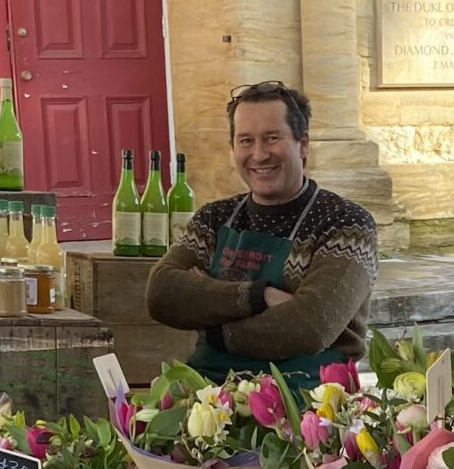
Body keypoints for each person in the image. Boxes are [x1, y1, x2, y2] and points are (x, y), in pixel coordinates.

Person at [146, 81, 377, 387]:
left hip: (309, 400)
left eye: (272, 138)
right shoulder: (214, 218)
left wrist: (211, 323)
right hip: (208, 392)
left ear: (303, 144)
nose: (258, 154)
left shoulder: (346, 225)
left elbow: (310, 325)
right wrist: (260, 296)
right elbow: (161, 294)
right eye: (245, 141)